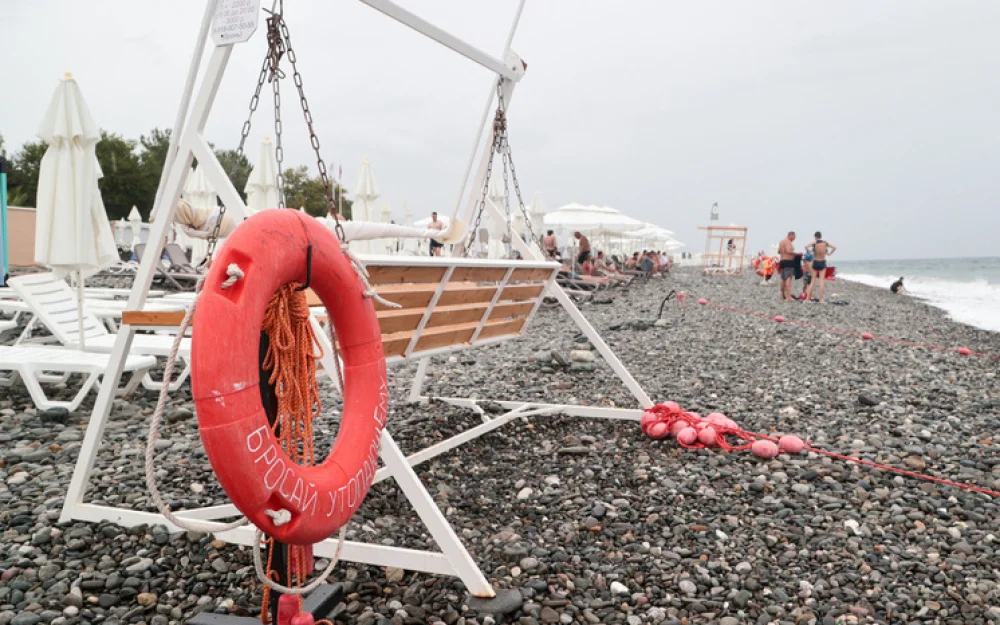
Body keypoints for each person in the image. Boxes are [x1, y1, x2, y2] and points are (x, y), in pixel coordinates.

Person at [805, 231, 837, 303]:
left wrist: (810, 253)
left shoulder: (815, 243)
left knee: (813, 281)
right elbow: (834, 247)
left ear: (815, 237)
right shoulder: (825, 243)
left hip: (816, 261)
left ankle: (807, 299)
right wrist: (829, 253)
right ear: (821, 236)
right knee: (822, 281)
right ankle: (821, 299)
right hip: (822, 261)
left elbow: (806, 246)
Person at [777, 231, 797, 300]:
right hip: (788, 261)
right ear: (790, 235)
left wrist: (783, 253)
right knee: (788, 278)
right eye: (794, 237)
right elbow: (788, 251)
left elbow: (779, 251)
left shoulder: (781, 242)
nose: (794, 239)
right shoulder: (788, 242)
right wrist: (797, 254)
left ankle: (782, 295)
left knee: (783, 279)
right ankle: (788, 296)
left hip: (782, 261)